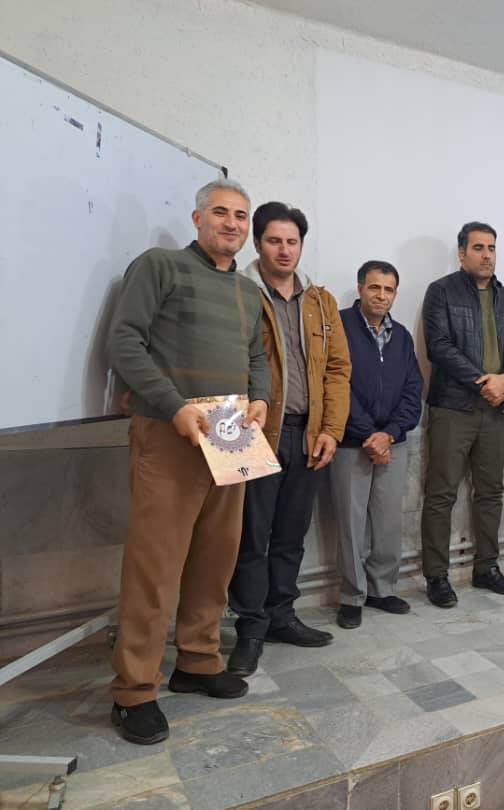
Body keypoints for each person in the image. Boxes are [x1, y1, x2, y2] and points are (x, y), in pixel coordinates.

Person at [106, 178, 269, 745]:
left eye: (240, 216)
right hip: (169, 432)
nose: (231, 223)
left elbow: (257, 358)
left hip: (231, 433)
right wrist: (174, 406)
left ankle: (198, 661)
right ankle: (133, 691)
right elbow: (125, 342)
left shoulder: (248, 292)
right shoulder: (160, 266)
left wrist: (260, 399)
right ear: (197, 219)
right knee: (154, 568)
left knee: (215, 559)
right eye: (220, 212)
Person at [226, 202, 351, 677]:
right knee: (251, 537)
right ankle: (251, 628)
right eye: (274, 240)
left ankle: (281, 615)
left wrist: (331, 429)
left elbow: (338, 369)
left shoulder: (319, 300)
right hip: (253, 432)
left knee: (290, 535)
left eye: (292, 241)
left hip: (306, 434)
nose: (284, 250)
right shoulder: (238, 292)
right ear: (257, 243)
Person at [419, 222, 504, 607]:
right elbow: (439, 346)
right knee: (441, 493)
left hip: (497, 408)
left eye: (492, 248)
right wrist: (483, 381)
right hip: (454, 406)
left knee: (491, 491)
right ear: (462, 253)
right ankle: (436, 575)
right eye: (479, 247)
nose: (487, 255)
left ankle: (487, 567)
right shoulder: (441, 291)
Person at [330, 260, 422, 628]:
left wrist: (390, 433)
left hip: (392, 442)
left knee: (387, 521)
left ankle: (382, 589)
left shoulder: (402, 336)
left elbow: (413, 389)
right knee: (350, 524)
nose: (381, 296)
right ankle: (352, 596)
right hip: (350, 442)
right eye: (374, 287)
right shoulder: (339, 325)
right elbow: (337, 384)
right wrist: (369, 432)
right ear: (360, 289)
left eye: (388, 290)